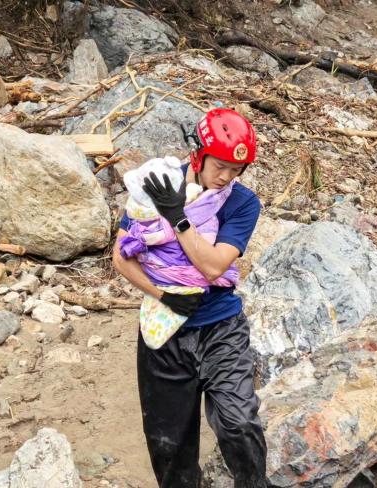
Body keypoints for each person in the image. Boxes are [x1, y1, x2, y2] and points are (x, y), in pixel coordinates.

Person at [112, 108, 268, 488]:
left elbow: (213, 266)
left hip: (221, 327)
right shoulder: (158, 185)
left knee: (239, 423)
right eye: (220, 166)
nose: (226, 177)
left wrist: (178, 218)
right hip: (166, 334)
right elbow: (121, 256)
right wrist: (163, 295)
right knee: (170, 446)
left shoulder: (242, 203)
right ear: (198, 154)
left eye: (236, 170)